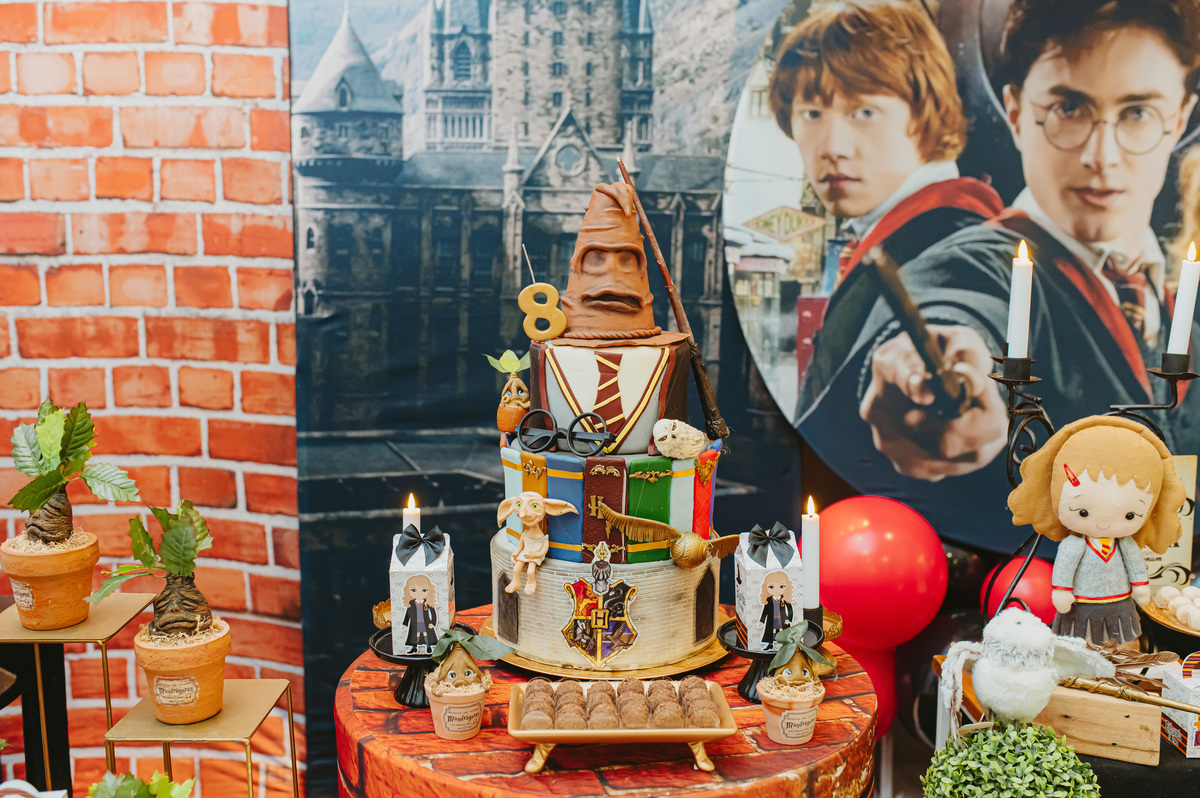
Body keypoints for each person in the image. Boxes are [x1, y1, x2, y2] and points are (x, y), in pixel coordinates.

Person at [798, 0, 1200, 550]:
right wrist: (929, 372)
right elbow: (955, 306)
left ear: (1179, 117)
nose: (1102, 155)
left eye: (1137, 112)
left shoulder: (1170, 299)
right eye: (1068, 108)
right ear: (1014, 111)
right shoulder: (979, 260)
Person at [771, 1, 1004, 410]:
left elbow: (956, 311)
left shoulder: (947, 240)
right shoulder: (899, 229)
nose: (832, 148)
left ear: (925, 112)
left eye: (864, 112)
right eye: (811, 114)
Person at [1008, 416, 1185, 644]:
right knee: (1080, 641)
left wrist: (1140, 586)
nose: (1103, 524)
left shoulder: (1125, 544)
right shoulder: (1074, 544)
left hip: (1120, 603)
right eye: (1083, 512)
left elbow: (1135, 565)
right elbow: (1065, 568)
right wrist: (1062, 590)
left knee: (1123, 641)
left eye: (1129, 515)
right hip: (1082, 605)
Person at [401, 574, 439, 654]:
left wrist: (433, 623)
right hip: (415, 622)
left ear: (430, 590)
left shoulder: (427, 602)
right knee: (415, 635)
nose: (419, 594)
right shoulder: (411, 603)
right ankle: (414, 648)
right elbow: (408, 614)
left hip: (426, 622)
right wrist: (405, 624)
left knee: (426, 634)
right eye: (413, 590)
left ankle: (428, 647)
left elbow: (433, 613)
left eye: (424, 590)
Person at [759, 571, 795, 650]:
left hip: (782, 619)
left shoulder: (784, 599)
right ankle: (770, 644)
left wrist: (789, 619)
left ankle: (784, 644)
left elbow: (790, 609)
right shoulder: (769, 599)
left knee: (782, 631)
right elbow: (765, 611)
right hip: (771, 619)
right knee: (772, 631)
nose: (776, 590)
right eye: (771, 587)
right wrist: (762, 621)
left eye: (781, 586)